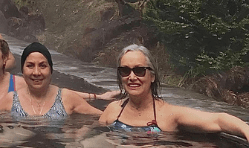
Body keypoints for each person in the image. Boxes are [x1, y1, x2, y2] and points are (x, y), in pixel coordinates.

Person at [99, 44, 249, 141]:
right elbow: (97, 136)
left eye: (139, 70)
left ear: (152, 76)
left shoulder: (170, 114)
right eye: (125, 71)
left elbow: (218, 120)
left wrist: (246, 131)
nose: (132, 77)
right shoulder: (113, 109)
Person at [0, 42, 102, 118]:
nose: (36, 72)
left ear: (51, 70)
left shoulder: (67, 98)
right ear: (22, 71)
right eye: (30, 66)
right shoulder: (11, 99)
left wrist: (81, 133)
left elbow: (102, 118)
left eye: (42, 66)